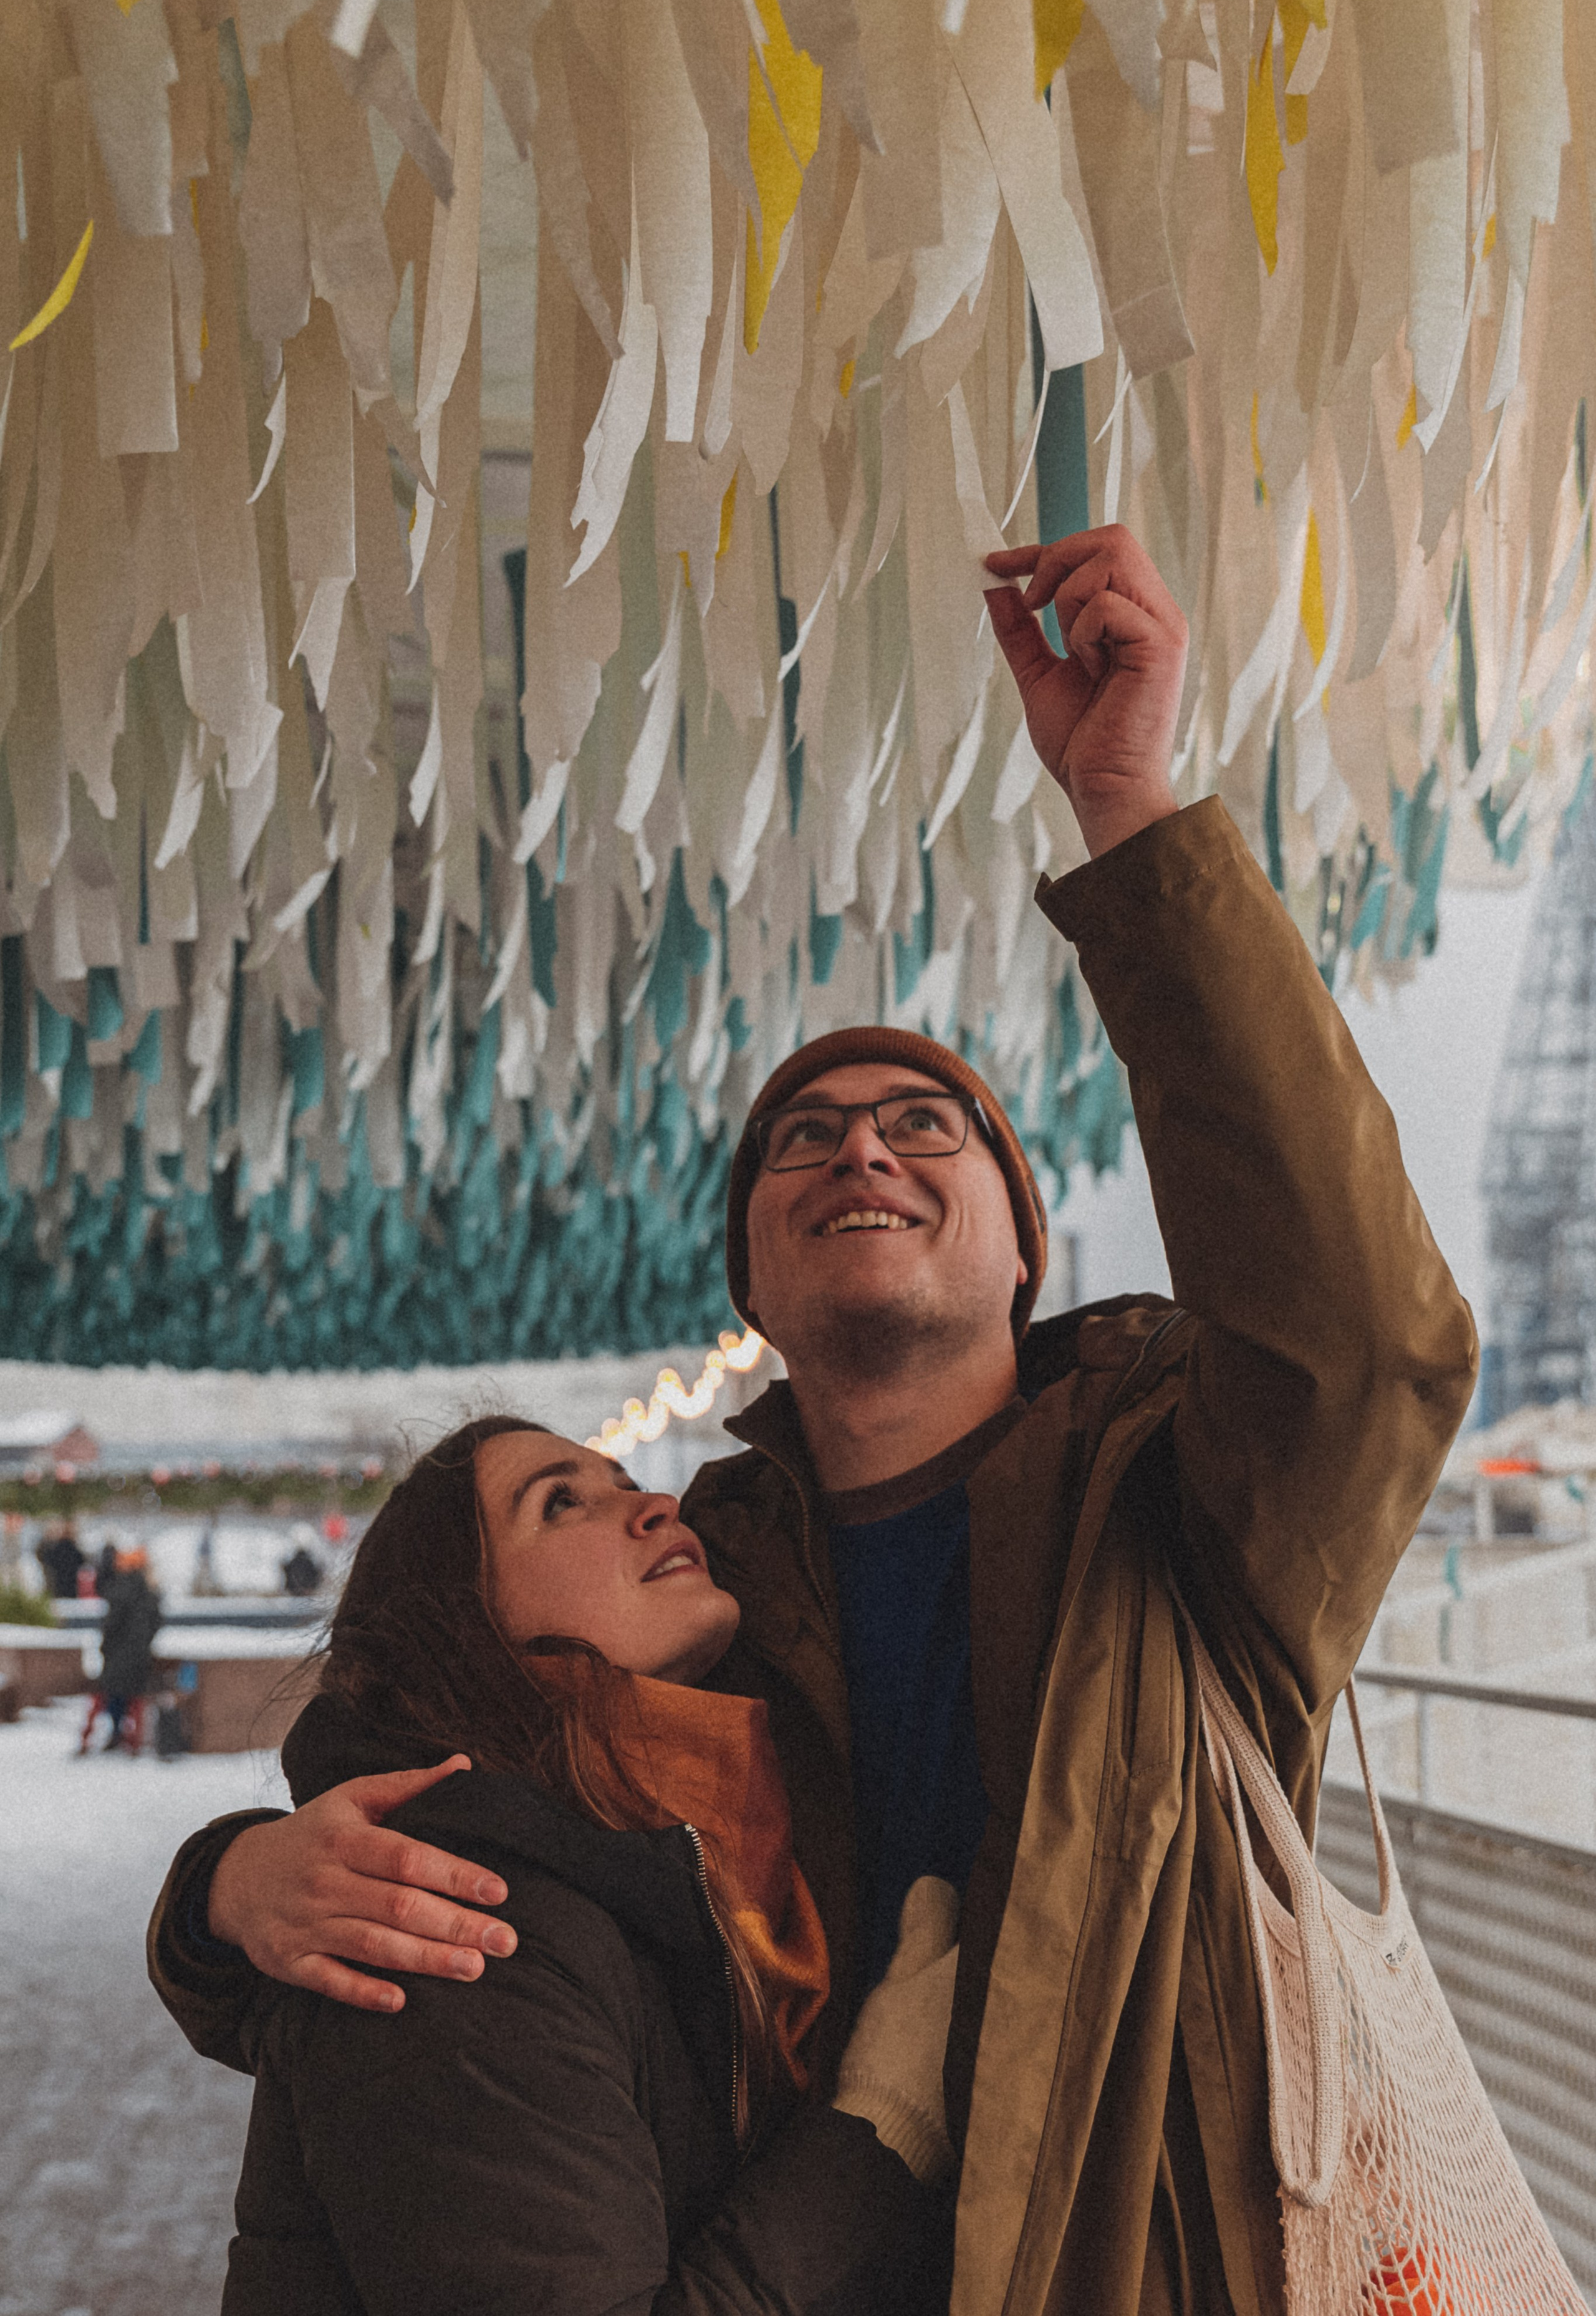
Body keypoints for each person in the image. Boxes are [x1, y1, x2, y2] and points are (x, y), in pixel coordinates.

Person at [147, 527, 1478, 2314]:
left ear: (1024, 1250)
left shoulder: (1180, 1524)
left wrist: (1134, 818)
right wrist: (230, 1885)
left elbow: (1370, 1337)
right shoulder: (711, 1581)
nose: (862, 1144)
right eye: (806, 1138)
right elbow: (445, 1741)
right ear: (758, 1297)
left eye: (930, 1129)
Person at [161, 1415, 948, 2314]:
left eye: (625, 1480)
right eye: (562, 1502)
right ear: (460, 1623)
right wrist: (880, 2130)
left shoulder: (698, 1836)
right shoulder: (447, 1919)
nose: (652, 1505)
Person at [94, 1547, 163, 1751]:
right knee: (135, 1697)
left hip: (117, 1658)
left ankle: (117, 1732)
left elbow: (111, 1625)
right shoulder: (150, 1593)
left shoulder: (119, 1590)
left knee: (114, 1694)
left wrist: (106, 1647)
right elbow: (157, 1622)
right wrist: (144, 1643)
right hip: (140, 1657)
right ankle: (135, 1738)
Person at [36, 1518, 86, 1602]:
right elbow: (82, 1561)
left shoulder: (56, 1548)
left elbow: (46, 1559)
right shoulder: (73, 1549)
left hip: (58, 1584)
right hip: (71, 1584)